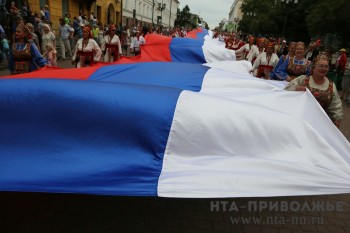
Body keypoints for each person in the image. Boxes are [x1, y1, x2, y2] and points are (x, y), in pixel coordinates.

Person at [285, 55, 342, 128]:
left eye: (326, 66)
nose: (324, 69)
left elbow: (336, 104)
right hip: (301, 119)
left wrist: (337, 118)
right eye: (321, 66)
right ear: (313, 68)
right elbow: (286, 89)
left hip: (321, 123)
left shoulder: (331, 85)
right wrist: (296, 88)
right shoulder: (303, 80)